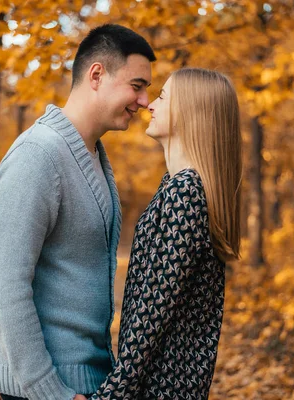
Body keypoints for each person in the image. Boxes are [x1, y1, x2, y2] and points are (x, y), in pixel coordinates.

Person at [0, 24, 156, 400]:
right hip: (46, 389)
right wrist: (51, 392)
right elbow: (5, 290)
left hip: (88, 380)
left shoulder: (92, 154)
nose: (144, 101)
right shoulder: (38, 155)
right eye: (137, 85)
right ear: (97, 74)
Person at [89, 68, 242, 400]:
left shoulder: (185, 193)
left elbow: (151, 315)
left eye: (162, 97)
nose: (150, 105)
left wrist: (110, 395)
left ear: (189, 112)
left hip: (163, 388)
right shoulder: (179, 187)